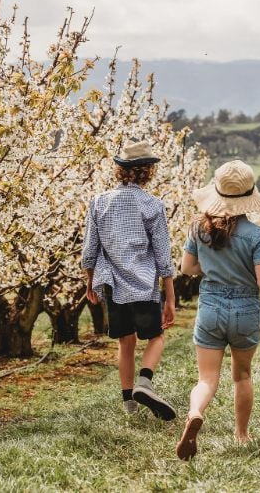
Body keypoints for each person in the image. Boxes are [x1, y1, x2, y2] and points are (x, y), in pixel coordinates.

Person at [176, 160, 260, 461]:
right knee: (242, 376)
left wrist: (214, 267)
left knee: (206, 379)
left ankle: (195, 412)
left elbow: (187, 268)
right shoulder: (256, 236)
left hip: (210, 308)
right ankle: (242, 435)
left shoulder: (198, 229)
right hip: (245, 310)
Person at [82, 140, 177, 420]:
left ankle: (129, 405)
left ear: (120, 170)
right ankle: (144, 382)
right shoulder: (153, 205)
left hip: (113, 284)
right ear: (148, 171)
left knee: (125, 342)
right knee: (157, 336)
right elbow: (162, 256)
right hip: (145, 285)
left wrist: (90, 283)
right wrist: (169, 297)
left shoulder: (99, 202)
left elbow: (89, 252)